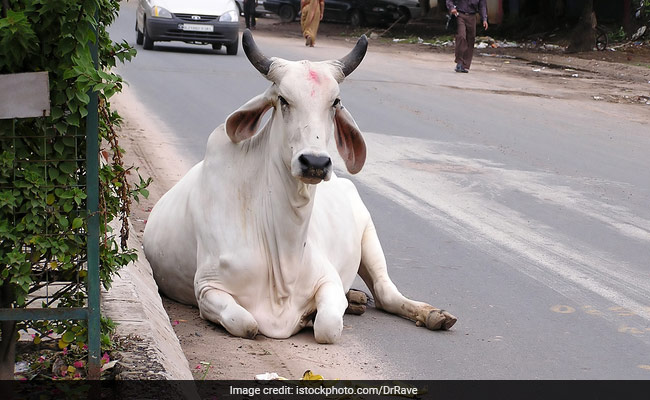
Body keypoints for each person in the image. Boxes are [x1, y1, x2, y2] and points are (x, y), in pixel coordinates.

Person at [446, 0, 488, 73]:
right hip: (459, 14)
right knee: (461, 36)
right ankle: (459, 62)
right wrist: (452, 8)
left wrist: (484, 19)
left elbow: (482, 6)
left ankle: (465, 65)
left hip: (472, 16)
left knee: (470, 40)